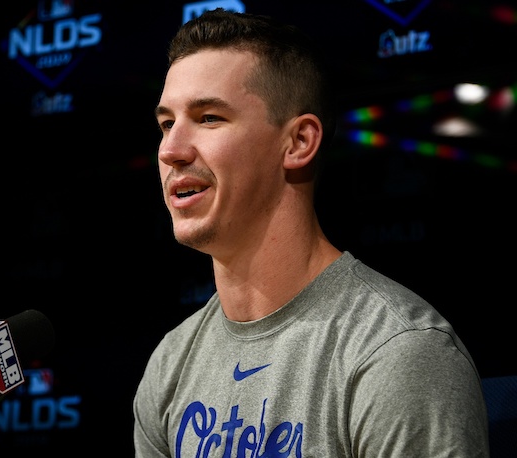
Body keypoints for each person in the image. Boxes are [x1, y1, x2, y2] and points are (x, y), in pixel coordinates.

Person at [133, 8, 489, 457]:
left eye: (208, 118)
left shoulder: (398, 352)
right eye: (167, 124)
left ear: (299, 142)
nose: (171, 150)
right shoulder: (170, 364)